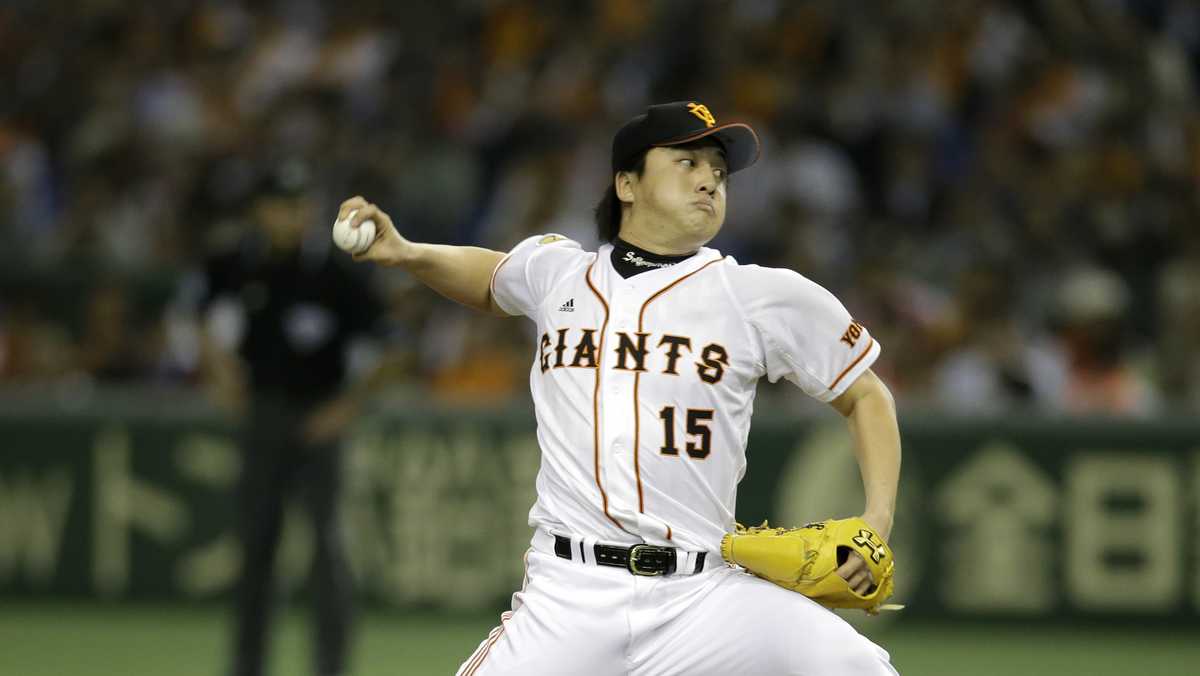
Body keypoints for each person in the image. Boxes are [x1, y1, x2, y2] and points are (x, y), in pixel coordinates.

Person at [340, 101, 901, 675]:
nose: (710, 178)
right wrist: (408, 253)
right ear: (626, 183)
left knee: (860, 668)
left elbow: (867, 396)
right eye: (687, 162)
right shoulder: (559, 272)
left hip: (703, 595)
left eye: (719, 169)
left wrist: (874, 523)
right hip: (570, 595)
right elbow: (490, 277)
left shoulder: (761, 295)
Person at [199, 159, 383, 676]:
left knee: (326, 551)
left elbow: (388, 347)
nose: (294, 215)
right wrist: (218, 372)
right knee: (256, 547)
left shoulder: (334, 272)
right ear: (261, 211)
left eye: (301, 205)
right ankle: (247, 666)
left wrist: (345, 408)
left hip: (319, 416)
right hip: (264, 414)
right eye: (283, 205)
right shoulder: (236, 263)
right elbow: (198, 316)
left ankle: (331, 667)